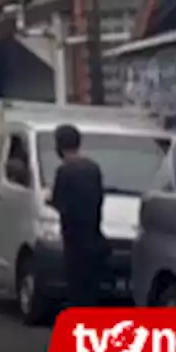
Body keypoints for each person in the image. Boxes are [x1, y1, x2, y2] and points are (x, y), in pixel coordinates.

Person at [48, 124, 106, 308]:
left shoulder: (64, 171)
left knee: (76, 288)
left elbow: (59, 202)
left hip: (74, 239)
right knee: (90, 289)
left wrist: (48, 200)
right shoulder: (93, 168)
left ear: (58, 145)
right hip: (94, 236)